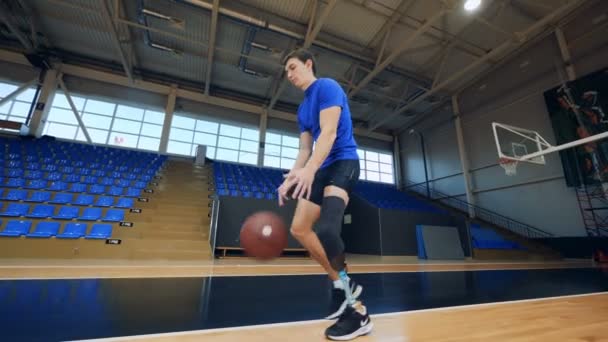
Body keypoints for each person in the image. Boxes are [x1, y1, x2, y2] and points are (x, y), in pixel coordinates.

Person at [277, 48, 373, 340]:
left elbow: (329, 134)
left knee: (328, 229)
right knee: (299, 228)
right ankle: (343, 286)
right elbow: (305, 148)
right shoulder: (302, 109)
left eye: (293, 67)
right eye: (286, 72)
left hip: (343, 162)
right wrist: (294, 174)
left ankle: (356, 311)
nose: (290, 75)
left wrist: (310, 170)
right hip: (321, 166)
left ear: (308, 64)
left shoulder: (328, 86)